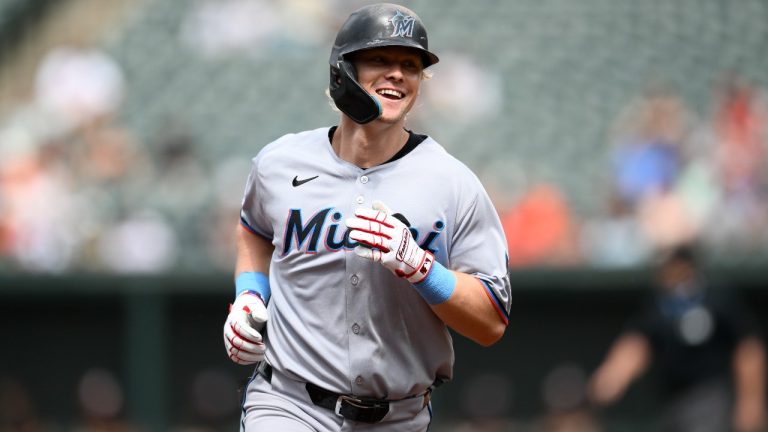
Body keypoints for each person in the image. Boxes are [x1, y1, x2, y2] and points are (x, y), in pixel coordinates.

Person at [221, 3, 511, 431]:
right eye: (380, 59)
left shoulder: (453, 183)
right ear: (342, 70)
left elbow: (490, 323)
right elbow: (254, 231)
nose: (397, 73)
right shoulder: (279, 162)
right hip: (289, 403)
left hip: (400, 416)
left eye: (410, 65)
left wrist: (422, 269)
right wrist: (249, 294)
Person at [588, 243, 767, 432]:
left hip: (710, 396)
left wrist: (751, 401)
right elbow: (636, 344)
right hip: (673, 401)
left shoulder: (717, 298)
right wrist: (611, 378)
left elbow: (748, 351)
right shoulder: (658, 305)